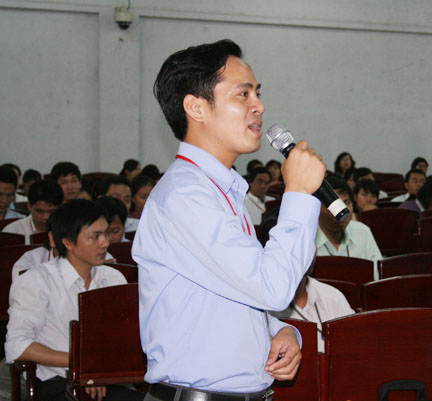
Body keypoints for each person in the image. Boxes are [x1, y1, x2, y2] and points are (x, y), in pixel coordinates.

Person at [133, 39, 326, 399]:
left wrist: (279, 330)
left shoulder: (217, 189)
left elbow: (227, 298)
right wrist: (298, 193)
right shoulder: (186, 196)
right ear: (196, 107)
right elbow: (271, 288)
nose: (259, 106)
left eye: (258, 93)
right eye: (243, 94)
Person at [4, 199, 140, 401]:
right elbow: (18, 345)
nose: (105, 242)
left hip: (108, 378)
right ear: (68, 242)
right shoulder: (36, 281)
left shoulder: (113, 278)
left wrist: (97, 372)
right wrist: (84, 365)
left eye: (106, 234)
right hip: (57, 382)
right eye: (95, 237)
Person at [272, 255, 354, 353]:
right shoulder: (263, 305)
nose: (308, 252)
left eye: (311, 246)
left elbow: (353, 346)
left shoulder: (333, 297)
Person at [315, 174, 382, 269]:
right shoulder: (306, 239)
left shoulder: (362, 232)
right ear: (316, 208)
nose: (341, 211)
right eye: (334, 206)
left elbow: (377, 274)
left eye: (346, 203)